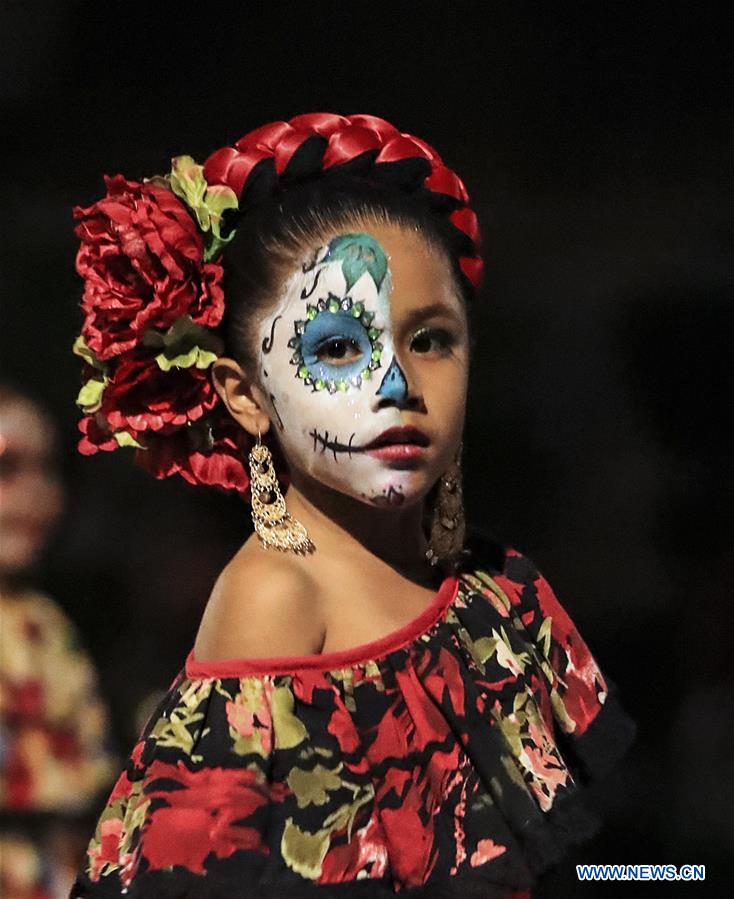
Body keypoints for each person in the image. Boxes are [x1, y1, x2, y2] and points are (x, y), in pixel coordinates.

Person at [69, 113, 636, 898]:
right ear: (246, 396)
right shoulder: (276, 599)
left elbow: (565, 863)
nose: (398, 387)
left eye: (431, 339)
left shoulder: (488, 591)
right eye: (337, 347)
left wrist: (679, 871)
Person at [0, 384, 115, 899]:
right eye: (7, 469)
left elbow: (87, 774)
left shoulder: (46, 627)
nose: (36, 493)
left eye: (48, 470)